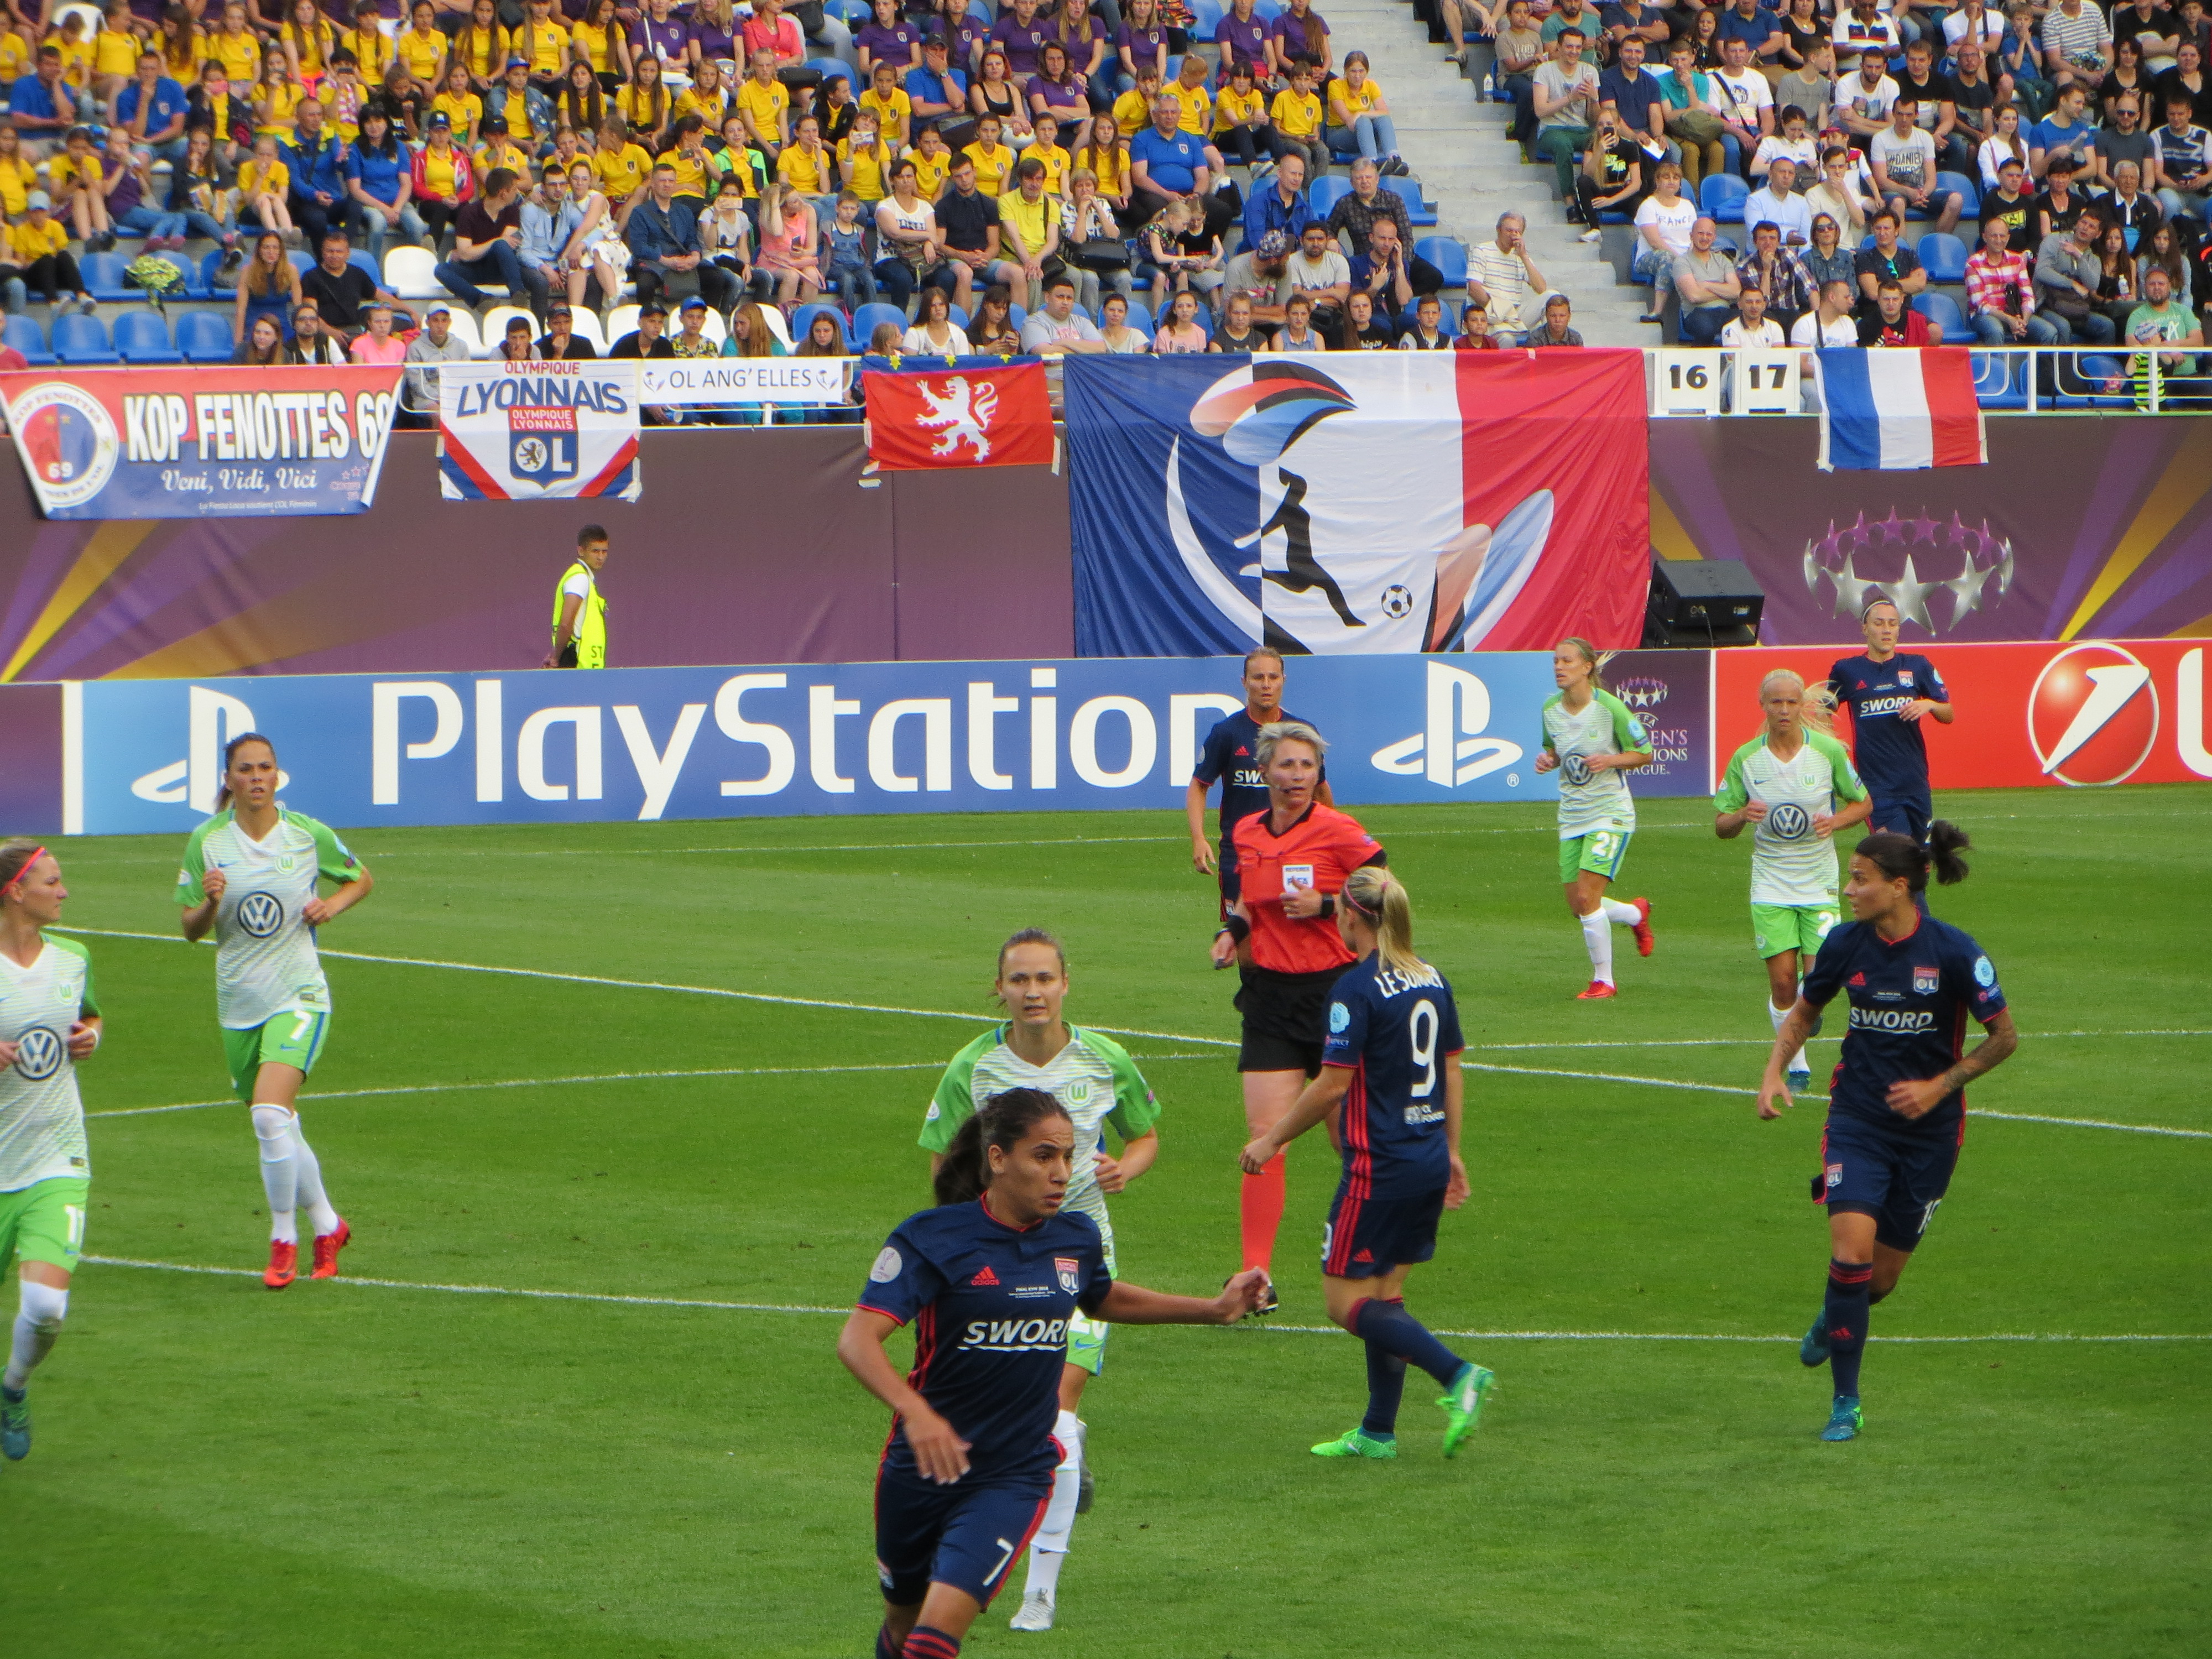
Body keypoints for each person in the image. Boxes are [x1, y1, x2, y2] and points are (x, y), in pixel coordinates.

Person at [842, 1088, 1266, 1659]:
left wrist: (1212, 1309)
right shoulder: (932, 1238)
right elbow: (857, 1340)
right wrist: (917, 1414)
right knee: (900, 1627)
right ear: (997, 1159)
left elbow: (1104, 1299)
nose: (1061, 1173)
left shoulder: (1075, 1238)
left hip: (1012, 1474)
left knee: (931, 1643)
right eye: (1044, 1156)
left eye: (1067, 1156)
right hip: (920, 1471)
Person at [916, 931, 1162, 1634]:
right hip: (995, 1265)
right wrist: (963, 1242)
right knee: (1015, 1421)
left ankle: (1041, 1590)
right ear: (999, 987)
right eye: (1018, 979)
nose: (1032, 991)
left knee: (1054, 1414)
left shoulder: (1103, 1058)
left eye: (1044, 978)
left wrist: (1127, 1169)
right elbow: (943, 1165)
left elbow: (1144, 1135)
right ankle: (1030, 1486)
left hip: (1079, 1260)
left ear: (1065, 985)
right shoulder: (974, 1065)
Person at [1756, 826, 2017, 1443]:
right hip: (1857, 1121)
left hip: (1931, 1135)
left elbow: (2004, 1037)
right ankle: (1845, 1402)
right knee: (1849, 1253)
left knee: (1878, 1280)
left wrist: (1939, 1086)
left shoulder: (1954, 952)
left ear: (1898, 888)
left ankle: (1833, 1315)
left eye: (1859, 880)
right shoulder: (1846, 944)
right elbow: (1805, 1012)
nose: (1848, 890)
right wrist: (1772, 1072)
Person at [1237, 865, 1494, 1463]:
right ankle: (1378, 1432)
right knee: (1384, 1294)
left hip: (1378, 1167)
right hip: (1427, 1155)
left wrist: (1271, 1140)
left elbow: (1330, 1087)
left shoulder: (1355, 989)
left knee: (1343, 1302)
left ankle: (1458, 1376)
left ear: (1349, 916)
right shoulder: (1432, 978)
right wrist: (1452, 1150)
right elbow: (1452, 1069)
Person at [178, 735, 372, 1290]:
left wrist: (331, 904)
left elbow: (361, 876)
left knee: (268, 1115)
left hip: (300, 996)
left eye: (266, 768)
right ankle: (329, 1226)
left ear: (277, 775)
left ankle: (283, 1238)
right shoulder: (208, 842)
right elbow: (190, 930)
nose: (257, 777)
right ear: (230, 779)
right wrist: (210, 902)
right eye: (246, 769)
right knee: (279, 1123)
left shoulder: (307, 835)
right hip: (240, 1005)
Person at [1207, 720, 1382, 1290]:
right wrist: (1232, 931)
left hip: (1337, 994)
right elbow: (1250, 904)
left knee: (1346, 1138)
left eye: (1307, 766)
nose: (1297, 776)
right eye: (1286, 765)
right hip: (1270, 999)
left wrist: (1330, 905)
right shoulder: (1247, 832)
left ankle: (1373, 1246)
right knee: (1264, 1133)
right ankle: (1255, 1275)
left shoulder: (1338, 830)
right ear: (1263, 772)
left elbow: (1385, 892)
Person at [1714, 671, 1871, 1089]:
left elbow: (1863, 802)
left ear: (1803, 706)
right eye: (1776, 703)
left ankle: (1810, 1006)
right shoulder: (1747, 759)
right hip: (1770, 883)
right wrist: (1740, 817)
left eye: (1791, 703)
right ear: (1763, 706)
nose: (1784, 710)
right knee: (1783, 982)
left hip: (1818, 879)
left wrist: (1835, 822)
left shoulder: (1827, 752)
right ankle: (1798, 1064)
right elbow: (1721, 824)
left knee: (1820, 976)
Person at [0, 842, 102, 1464]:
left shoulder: (74, 959)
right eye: (53, 882)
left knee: (45, 1307)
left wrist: (92, 1036)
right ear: (17, 890)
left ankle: (11, 1388)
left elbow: (88, 1018)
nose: (63, 893)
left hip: (56, 1159)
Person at [1535, 638, 1656, 1000]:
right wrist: (1549, 760)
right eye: (1556, 661)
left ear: (1587, 667)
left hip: (1610, 813)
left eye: (1567, 661)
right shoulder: (1550, 709)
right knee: (1579, 905)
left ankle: (1604, 980)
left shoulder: (1610, 709)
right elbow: (1553, 748)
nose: (1559, 667)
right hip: (1572, 815)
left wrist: (1610, 760)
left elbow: (1644, 753)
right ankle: (1636, 915)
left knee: (1588, 898)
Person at [1828, 599, 1953, 847]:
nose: (1887, 630)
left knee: (1920, 859)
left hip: (1915, 781)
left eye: (1892, 624)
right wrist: (1833, 742)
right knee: (1895, 854)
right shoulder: (1847, 670)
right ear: (1865, 629)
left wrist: (1930, 705)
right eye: (1879, 623)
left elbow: (1948, 714)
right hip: (1876, 785)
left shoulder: (1918, 665)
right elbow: (1824, 708)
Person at [545, 524, 609, 669]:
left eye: (604, 552)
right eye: (595, 551)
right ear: (581, 551)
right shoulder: (579, 578)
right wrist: (556, 657)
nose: (600, 557)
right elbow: (566, 624)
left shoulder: (585, 579)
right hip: (576, 663)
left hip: (584, 666)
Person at [1673, 213, 1742, 345]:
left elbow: (1736, 292)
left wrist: (1707, 285)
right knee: (1706, 329)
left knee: (1750, 321)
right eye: (1700, 233)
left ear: (1714, 237)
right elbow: (1694, 296)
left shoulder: (1723, 260)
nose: (1705, 238)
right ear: (1691, 236)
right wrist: (1723, 291)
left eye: (1709, 234)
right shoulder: (1682, 262)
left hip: (1725, 312)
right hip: (1697, 313)